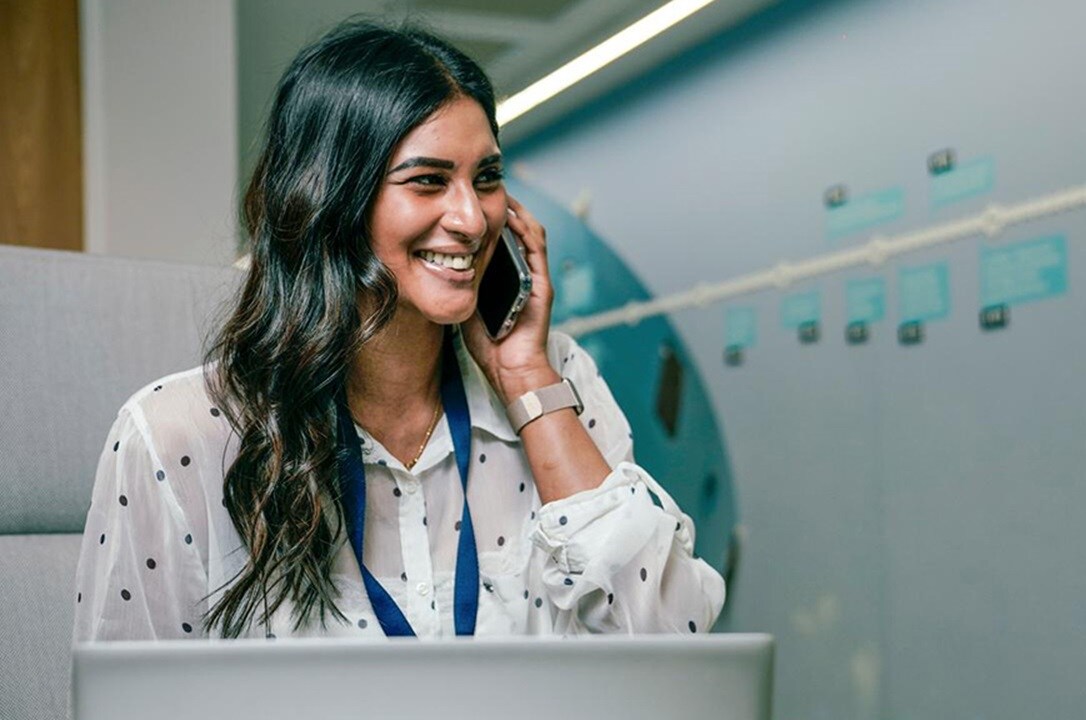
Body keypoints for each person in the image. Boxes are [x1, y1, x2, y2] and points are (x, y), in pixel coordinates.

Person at [72, 20, 724, 641]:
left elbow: (677, 643)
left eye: (488, 178)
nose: (472, 218)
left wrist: (527, 379)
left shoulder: (560, 381)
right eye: (429, 181)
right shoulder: (177, 436)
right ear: (333, 199)